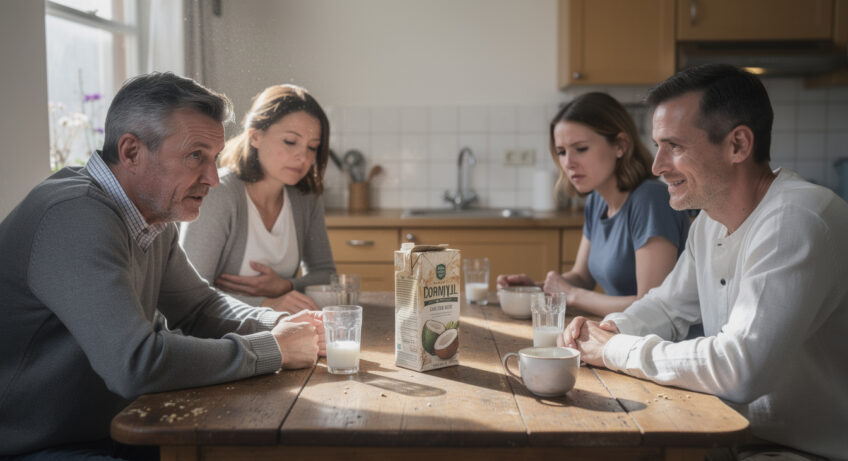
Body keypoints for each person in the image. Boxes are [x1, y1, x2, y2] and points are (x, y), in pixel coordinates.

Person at [0, 72, 325, 459]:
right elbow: (136, 364)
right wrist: (271, 348)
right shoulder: (75, 216)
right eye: (195, 156)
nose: (212, 179)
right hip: (34, 447)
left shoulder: (153, 216)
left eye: (214, 159)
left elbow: (200, 306)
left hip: (111, 427)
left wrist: (282, 327)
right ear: (132, 152)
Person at [561, 64, 848, 460]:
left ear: (738, 145)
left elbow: (740, 368)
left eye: (674, 146)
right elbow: (666, 304)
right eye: (657, 145)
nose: (657, 166)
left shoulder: (796, 220)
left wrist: (615, 349)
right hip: (730, 437)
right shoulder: (710, 222)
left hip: (805, 451)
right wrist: (607, 330)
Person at [498, 92, 691, 317]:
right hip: (623, 336)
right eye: (561, 152)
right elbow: (582, 278)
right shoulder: (597, 201)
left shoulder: (651, 201)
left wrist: (573, 295)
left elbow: (651, 306)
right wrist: (535, 290)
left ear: (620, 145)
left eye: (581, 149)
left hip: (664, 346)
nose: (568, 163)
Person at [180, 84, 335, 314]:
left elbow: (327, 275)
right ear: (255, 136)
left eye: (313, 147)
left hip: (279, 333)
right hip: (216, 341)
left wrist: (286, 286)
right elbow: (186, 296)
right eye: (290, 142)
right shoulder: (218, 194)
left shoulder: (306, 198)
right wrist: (265, 304)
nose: (303, 156)